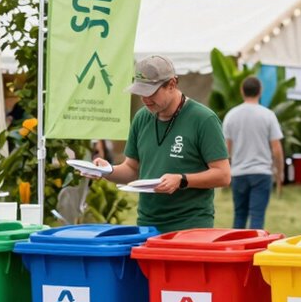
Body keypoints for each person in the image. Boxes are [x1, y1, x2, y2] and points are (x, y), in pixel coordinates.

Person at [93, 55, 230, 232]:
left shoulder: (203, 119)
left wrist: (181, 180)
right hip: (147, 225)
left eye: (151, 92)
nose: (145, 99)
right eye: (140, 92)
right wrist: (106, 170)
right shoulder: (141, 118)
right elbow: (132, 170)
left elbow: (223, 175)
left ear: (172, 84)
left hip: (190, 226)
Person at [222, 76, 284, 229]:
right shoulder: (268, 115)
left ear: (242, 91)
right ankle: (254, 251)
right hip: (261, 173)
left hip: (238, 173)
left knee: (239, 216)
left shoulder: (231, 115)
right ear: (260, 91)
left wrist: (225, 172)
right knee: (257, 217)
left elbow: (226, 149)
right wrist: (280, 172)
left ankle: (236, 250)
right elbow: (276, 148)